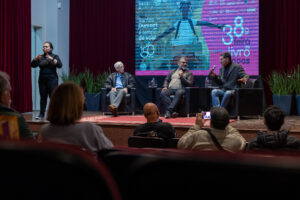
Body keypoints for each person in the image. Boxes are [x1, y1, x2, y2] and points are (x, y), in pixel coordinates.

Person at [40, 82, 113, 154]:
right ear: (76, 104)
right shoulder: (89, 129)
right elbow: (110, 152)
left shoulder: (45, 130)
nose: (84, 99)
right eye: (82, 97)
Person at [153, 0, 224, 69]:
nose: (185, 11)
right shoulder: (178, 23)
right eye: (183, 9)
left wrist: (217, 26)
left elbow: (205, 23)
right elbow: (167, 31)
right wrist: (157, 38)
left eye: (186, 9)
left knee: (191, 64)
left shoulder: (191, 21)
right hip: (180, 48)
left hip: (190, 48)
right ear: (181, 10)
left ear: (188, 10)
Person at [178, 107, 246, 152]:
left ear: (211, 123)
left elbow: (181, 144)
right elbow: (243, 142)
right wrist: (224, 121)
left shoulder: (199, 135)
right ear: (227, 122)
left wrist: (197, 126)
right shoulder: (235, 141)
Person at [31, 41, 62, 120]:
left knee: (53, 97)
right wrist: (35, 59)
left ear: (51, 48)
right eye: (43, 46)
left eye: (46, 46)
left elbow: (59, 65)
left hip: (52, 79)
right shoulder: (40, 57)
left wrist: (51, 59)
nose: (44, 48)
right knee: (43, 97)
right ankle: (41, 114)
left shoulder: (55, 56)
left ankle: (55, 114)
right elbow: (33, 65)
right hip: (42, 80)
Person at [0, 71, 34, 140]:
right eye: (9, 91)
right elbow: (32, 146)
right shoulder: (13, 118)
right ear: (3, 94)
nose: (10, 97)